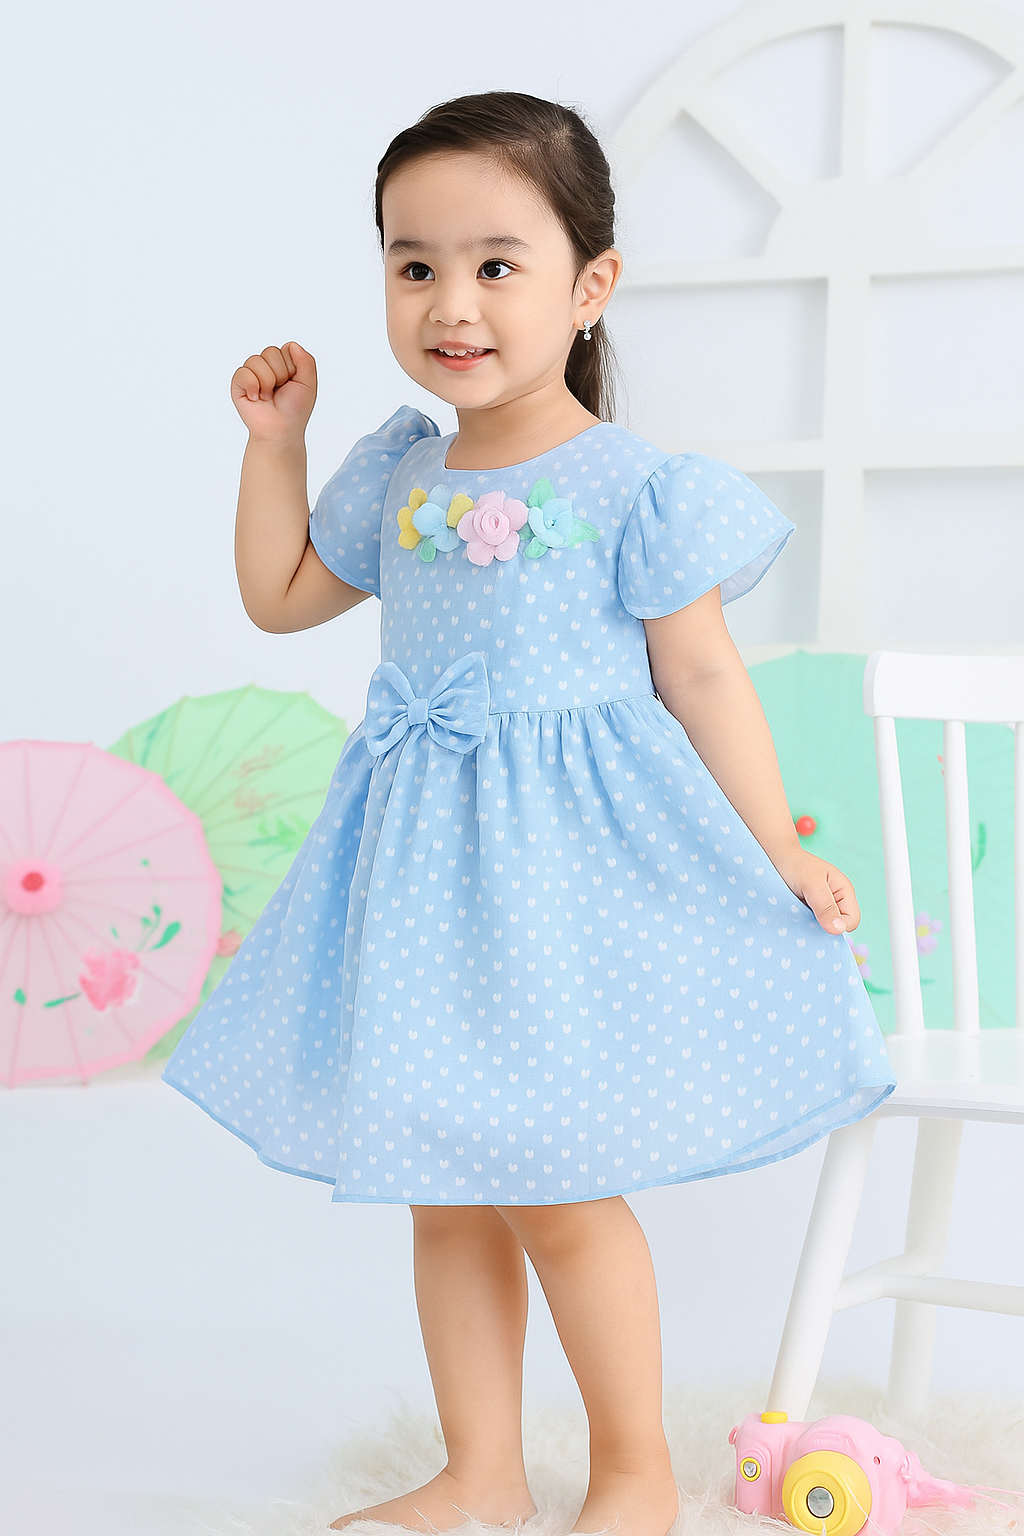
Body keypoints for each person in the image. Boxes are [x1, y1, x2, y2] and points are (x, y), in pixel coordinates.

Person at [163, 91, 895, 1536]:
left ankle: (632, 1474)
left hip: (569, 877)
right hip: (422, 868)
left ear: (589, 285)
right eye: (413, 263)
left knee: (560, 1186)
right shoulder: (404, 473)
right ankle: (478, 1467)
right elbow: (281, 598)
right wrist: (276, 444)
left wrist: (781, 844)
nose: (452, 302)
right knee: (443, 1188)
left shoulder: (634, 485)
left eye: (497, 264)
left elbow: (699, 671)